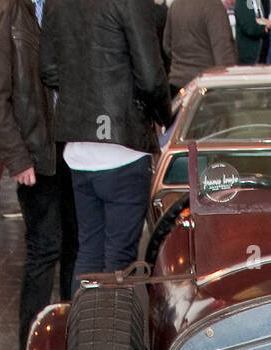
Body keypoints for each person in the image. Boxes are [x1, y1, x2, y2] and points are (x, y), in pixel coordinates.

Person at [0, 0, 76, 350]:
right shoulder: (6, 8)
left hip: (70, 144)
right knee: (44, 249)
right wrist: (17, 157)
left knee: (75, 247)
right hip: (34, 152)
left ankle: (70, 343)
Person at [41, 0, 170, 275]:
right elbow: (151, 78)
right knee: (119, 262)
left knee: (88, 252)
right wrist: (164, 117)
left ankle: (85, 319)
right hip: (124, 144)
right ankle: (112, 320)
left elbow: (49, 69)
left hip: (79, 148)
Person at [163, 0, 236, 96]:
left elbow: (167, 46)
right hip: (205, 90)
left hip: (177, 86)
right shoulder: (213, 6)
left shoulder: (175, 5)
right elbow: (224, 55)